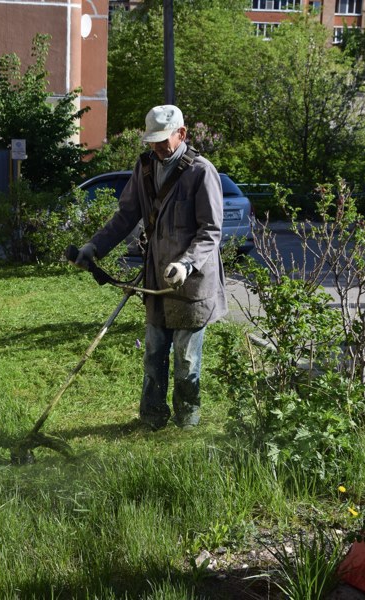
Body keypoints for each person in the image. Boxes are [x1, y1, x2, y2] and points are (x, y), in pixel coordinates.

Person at [74, 105, 227, 430]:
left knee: (186, 360)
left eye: (163, 140)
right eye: (153, 141)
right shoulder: (144, 169)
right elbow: (125, 216)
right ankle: (152, 419)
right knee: (153, 353)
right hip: (157, 281)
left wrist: (187, 263)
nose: (157, 147)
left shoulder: (201, 172)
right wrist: (94, 246)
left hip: (192, 285)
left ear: (181, 134)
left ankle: (187, 422)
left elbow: (211, 231)